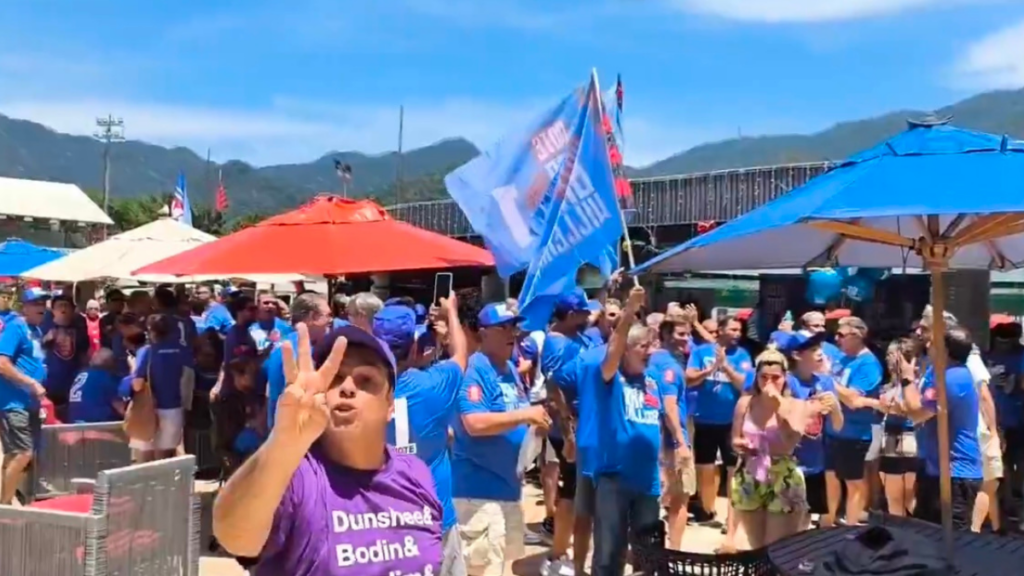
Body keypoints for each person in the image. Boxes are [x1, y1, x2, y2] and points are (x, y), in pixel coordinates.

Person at [213, 324, 443, 576]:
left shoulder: (416, 473)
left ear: (390, 405)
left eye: (365, 379)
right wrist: (283, 443)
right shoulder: (292, 474)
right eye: (334, 378)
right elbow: (234, 537)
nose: (346, 388)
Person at [451, 302, 550, 576]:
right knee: (482, 569)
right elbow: (474, 423)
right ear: (483, 333)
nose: (512, 333)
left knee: (502, 565)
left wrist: (534, 426)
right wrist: (525, 415)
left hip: (507, 489)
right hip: (478, 492)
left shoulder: (509, 369)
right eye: (503, 327)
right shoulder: (475, 369)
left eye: (514, 326)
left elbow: (513, 416)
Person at [376, 295, 469, 576]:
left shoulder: (363, 395)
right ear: (414, 346)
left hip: (382, 521)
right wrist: (451, 312)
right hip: (434, 515)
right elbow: (461, 355)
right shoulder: (434, 384)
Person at [572, 286, 658, 576]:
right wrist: (630, 310)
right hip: (615, 479)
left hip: (648, 481)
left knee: (648, 554)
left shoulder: (652, 382)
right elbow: (612, 351)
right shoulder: (610, 377)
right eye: (643, 346)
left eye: (652, 345)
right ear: (625, 351)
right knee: (610, 555)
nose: (651, 352)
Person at [730, 346, 832, 549]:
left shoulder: (795, 405)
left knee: (776, 548)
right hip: (751, 474)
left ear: (785, 377)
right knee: (756, 548)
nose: (768, 383)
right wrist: (741, 445)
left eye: (775, 377)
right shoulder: (745, 403)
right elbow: (734, 439)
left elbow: (790, 438)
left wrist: (777, 402)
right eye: (763, 377)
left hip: (783, 477)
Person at [901, 325, 984, 531]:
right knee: (926, 534)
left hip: (956, 472)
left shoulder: (952, 379)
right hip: (937, 469)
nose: (928, 346)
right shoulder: (944, 374)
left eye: (934, 343)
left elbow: (917, 412)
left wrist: (906, 379)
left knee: (953, 540)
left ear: (946, 350)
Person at [685, 316, 753, 528]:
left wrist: (726, 367)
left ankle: (731, 519)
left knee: (733, 469)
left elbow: (745, 386)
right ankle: (707, 512)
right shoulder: (701, 352)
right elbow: (689, 377)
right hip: (704, 419)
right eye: (733, 329)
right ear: (720, 330)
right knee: (704, 468)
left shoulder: (743, 355)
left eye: (739, 330)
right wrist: (710, 369)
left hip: (732, 422)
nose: (737, 334)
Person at [777, 331, 844, 528]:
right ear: (797, 355)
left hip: (815, 463)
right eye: (813, 349)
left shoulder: (825, 382)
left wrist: (835, 407)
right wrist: (808, 407)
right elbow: (784, 421)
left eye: (820, 348)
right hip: (789, 462)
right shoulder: (786, 382)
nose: (820, 353)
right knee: (787, 519)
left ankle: (799, 558)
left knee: (807, 517)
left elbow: (838, 426)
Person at [825, 316, 882, 527]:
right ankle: (829, 523)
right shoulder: (842, 358)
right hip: (833, 429)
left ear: (858, 336)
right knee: (831, 476)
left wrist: (827, 380)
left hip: (855, 433)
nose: (836, 339)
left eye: (841, 334)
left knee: (854, 483)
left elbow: (853, 400)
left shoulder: (869, 364)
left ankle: (851, 528)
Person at [0, 287, 49, 505]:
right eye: (36, 303)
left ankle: (7, 501)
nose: (42, 307)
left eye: (43, 303)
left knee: (17, 454)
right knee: (22, 452)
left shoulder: (36, 331)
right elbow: (2, 363)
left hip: (30, 402)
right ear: (24, 307)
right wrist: (31, 382)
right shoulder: (16, 327)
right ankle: (5, 506)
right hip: (13, 401)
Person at [651, 321, 695, 550]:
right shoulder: (670, 367)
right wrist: (680, 442)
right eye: (680, 334)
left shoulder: (645, 360)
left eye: (688, 334)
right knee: (679, 500)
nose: (686, 338)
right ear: (665, 334)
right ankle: (673, 552)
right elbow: (669, 407)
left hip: (648, 438)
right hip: (669, 441)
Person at [131, 314, 188, 461]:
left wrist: (132, 370)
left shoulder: (146, 352)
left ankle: (149, 484)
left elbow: (137, 385)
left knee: (146, 457)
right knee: (166, 457)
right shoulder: (181, 351)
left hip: (148, 409)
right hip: (174, 407)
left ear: (151, 331)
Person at [68, 348, 123, 423]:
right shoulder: (105, 377)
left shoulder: (81, 373)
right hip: (96, 426)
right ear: (110, 362)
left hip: (74, 424)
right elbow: (121, 408)